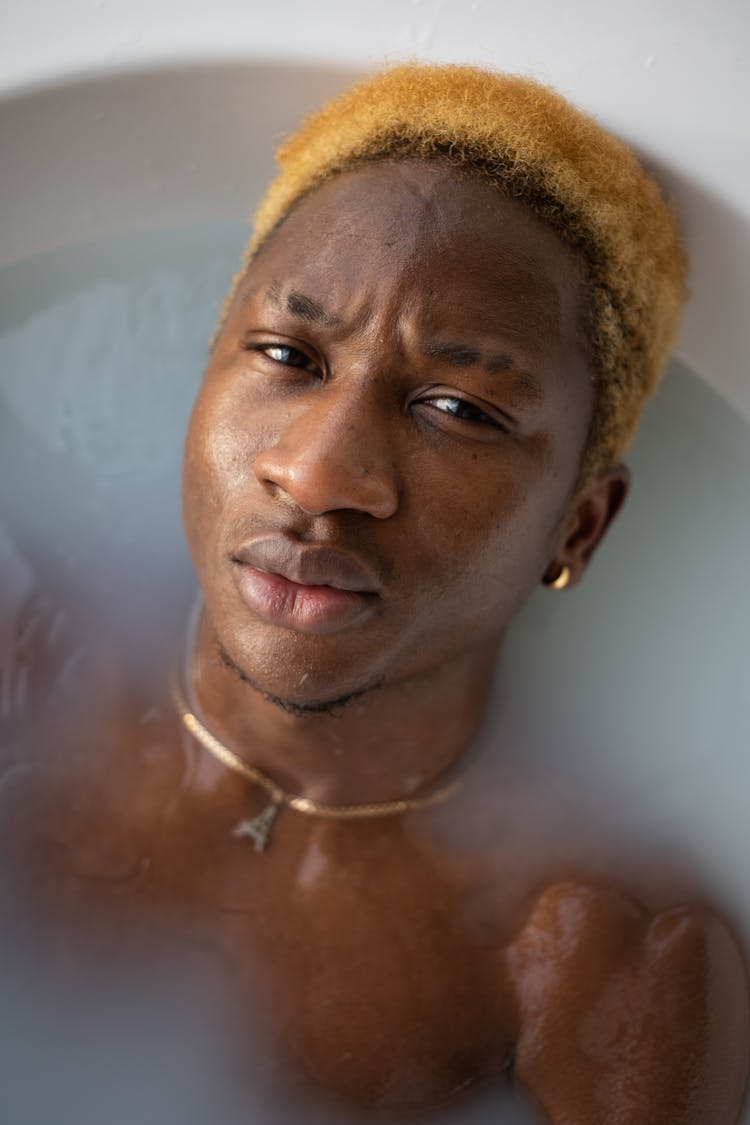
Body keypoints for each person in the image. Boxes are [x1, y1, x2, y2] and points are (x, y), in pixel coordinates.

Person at [7, 62, 749, 1123]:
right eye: (285, 353)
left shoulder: (601, 950)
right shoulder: (25, 670)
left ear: (578, 526)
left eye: (456, 407)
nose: (314, 472)